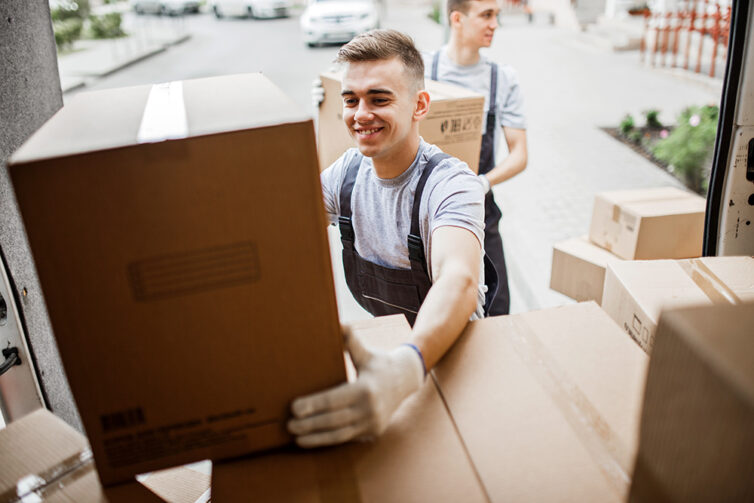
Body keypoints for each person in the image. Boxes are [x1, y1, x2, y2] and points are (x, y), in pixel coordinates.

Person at [288, 29, 489, 448]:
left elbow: (459, 279)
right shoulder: (345, 176)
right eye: (350, 100)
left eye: (379, 99)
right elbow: (279, 230)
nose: (361, 114)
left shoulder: (451, 183)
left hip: (452, 362)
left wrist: (404, 369)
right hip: (388, 358)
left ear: (419, 106)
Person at [426, 0, 528, 315]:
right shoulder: (420, 70)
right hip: (424, 216)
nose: (494, 24)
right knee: (430, 312)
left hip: (481, 212)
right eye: (486, 15)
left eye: (496, 15)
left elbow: (520, 155)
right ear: (457, 18)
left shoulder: (502, 79)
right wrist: (331, 98)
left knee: (498, 310)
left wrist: (482, 183)